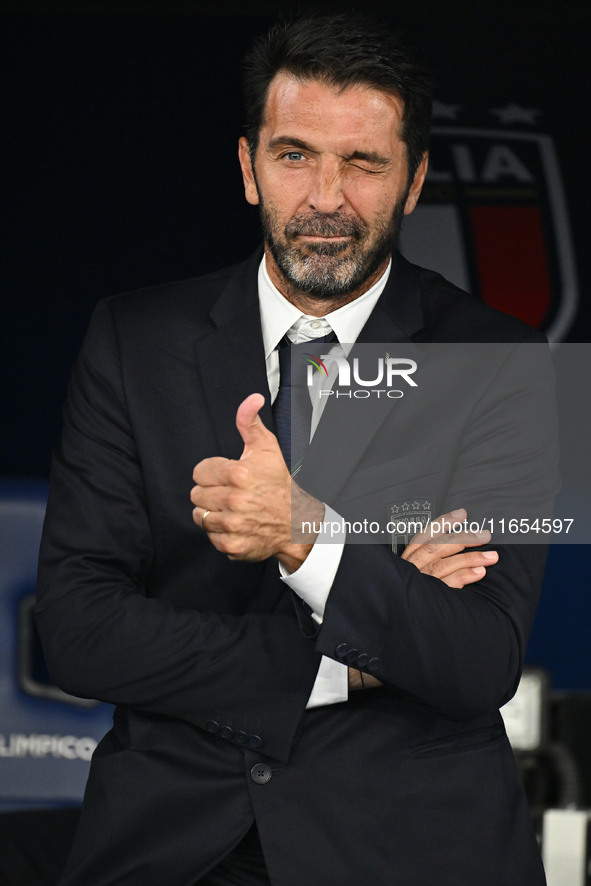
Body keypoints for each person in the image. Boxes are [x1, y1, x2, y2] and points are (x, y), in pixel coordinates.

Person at [36, 13, 557, 885]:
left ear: (415, 180)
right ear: (247, 168)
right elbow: (79, 633)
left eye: (362, 163)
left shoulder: (505, 362)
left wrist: (307, 536)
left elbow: (478, 662)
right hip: (170, 843)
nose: (324, 197)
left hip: (407, 848)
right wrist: (343, 665)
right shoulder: (132, 338)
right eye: (293, 155)